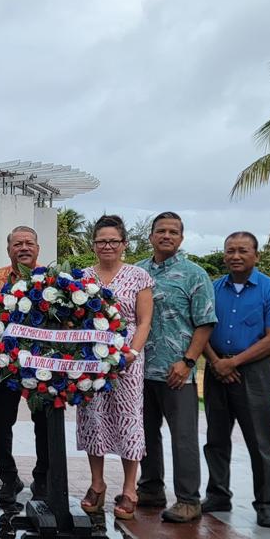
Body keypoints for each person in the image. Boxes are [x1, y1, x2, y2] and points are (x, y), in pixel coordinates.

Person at [201, 232, 270, 528]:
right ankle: (218, 494)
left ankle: (265, 504)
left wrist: (234, 362)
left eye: (243, 251)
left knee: (259, 441)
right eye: (230, 251)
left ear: (256, 255)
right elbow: (200, 328)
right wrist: (216, 362)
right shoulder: (212, 289)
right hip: (216, 369)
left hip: (253, 372)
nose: (235, 256)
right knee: (215, 438)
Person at [136, 211, 217, 523]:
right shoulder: (137, 272)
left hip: (177, 373)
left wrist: (187, 362)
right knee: (144, 434)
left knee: (183, 437)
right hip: (140, 371)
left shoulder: (194, 274)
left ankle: (187, 498)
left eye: (173, 232)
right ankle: (151, 488)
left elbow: (205, 323)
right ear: (151, 236)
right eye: (161, 231)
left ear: (181, 238)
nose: (166, 236)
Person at [75, 216, 155, 521]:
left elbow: (145, 320)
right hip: (91, 358)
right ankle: (97, 484)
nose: (107, 246)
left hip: (126, 358)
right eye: (101, 241)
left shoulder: (139, 276)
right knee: (92, 416)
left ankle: (129, 488)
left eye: (113, 241)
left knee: (127, 419)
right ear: (93, 245)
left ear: (124, 244)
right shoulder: (82, 277)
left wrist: (132, 352)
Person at [0, 226, 51, 504]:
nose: (23, 248)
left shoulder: (54, 280)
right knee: (2, 422)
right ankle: (9, 478)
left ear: (38, 248)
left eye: (29, 243)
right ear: (8, 249)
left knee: (45, 423)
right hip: (5, 364)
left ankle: (44, 478)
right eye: (17, 244)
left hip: (43, 366)